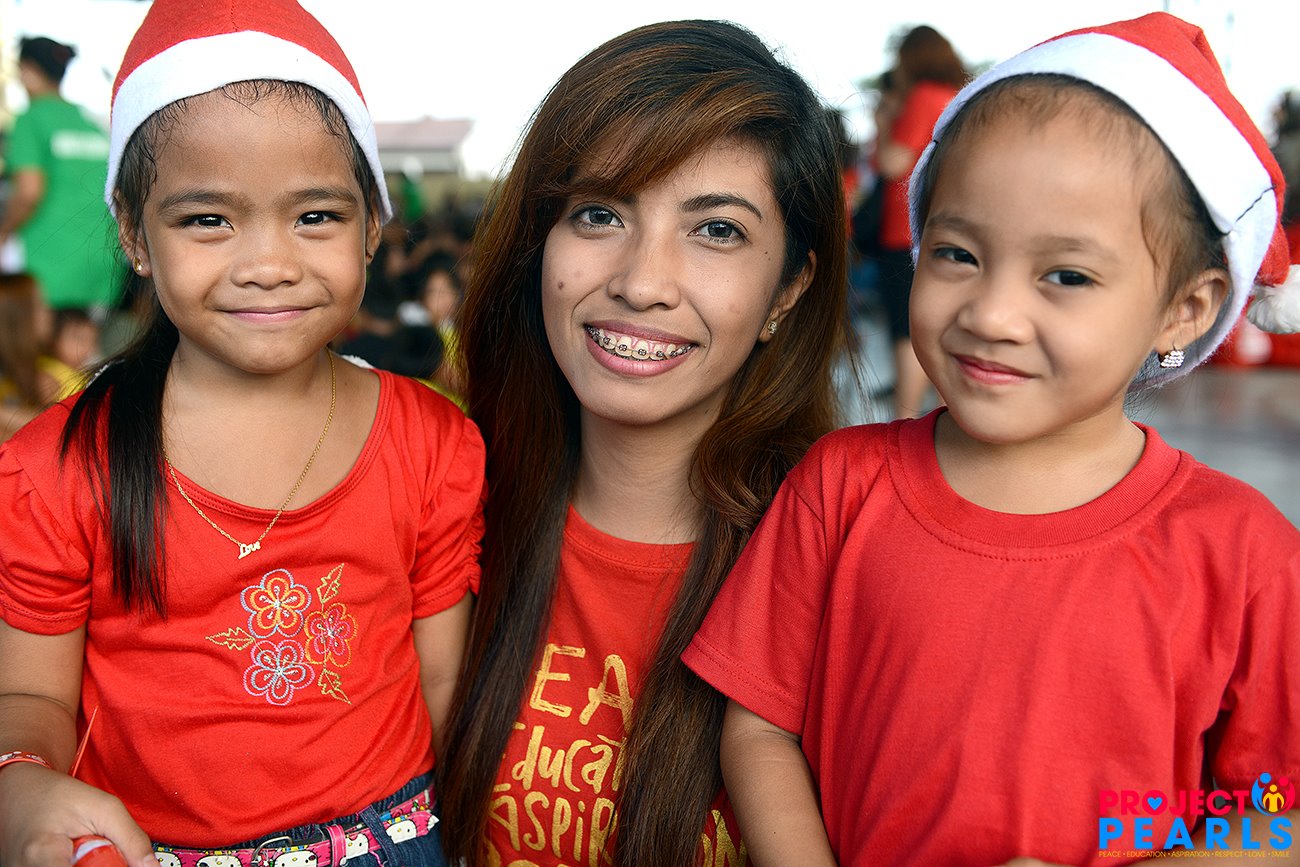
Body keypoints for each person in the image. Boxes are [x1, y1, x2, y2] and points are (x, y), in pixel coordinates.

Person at [684, 13, 1300, 866]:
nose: (992, 313)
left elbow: (1276, 814)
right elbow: (758, 727)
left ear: (1184, 311)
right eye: (957, 254)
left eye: (1066, 275)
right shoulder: (840, 486)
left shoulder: (1244, 553)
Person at [0, 2, 485, 865]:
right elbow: (30, 696)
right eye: (207, 220)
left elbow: (446, 681)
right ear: (133, 233)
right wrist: (20, 781)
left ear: (372, 224)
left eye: (316, 216)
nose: (268, 265)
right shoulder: (55, 469)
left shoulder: (433, 443)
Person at [436, 20, 848, 867]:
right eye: (599, 213)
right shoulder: (434, 507)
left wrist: (1136, 844)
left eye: (717, 230)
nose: (641, 282)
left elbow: (1138, 813)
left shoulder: (854, 556)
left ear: (788, 289)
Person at [871, 25, 966, 418]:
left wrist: (883, 121)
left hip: (905, 231)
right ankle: (952, 423)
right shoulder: (957, 97)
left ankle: (904, 425)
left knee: (906, 331)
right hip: (944, 228)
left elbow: (891, 162)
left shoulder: (923, 96)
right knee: (946, 329)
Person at [0, 36, 119, 313]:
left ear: (28, 70)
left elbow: (29, 191)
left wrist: (5, 230)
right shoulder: (90, 121)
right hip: (102, 262)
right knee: (83, 340)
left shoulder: (31, 119)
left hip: (47, 262)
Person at [0, 272, 59, 440]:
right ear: (17, 318)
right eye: (40, 305)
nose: (50, 312)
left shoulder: (43, 375)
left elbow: (54, 427)